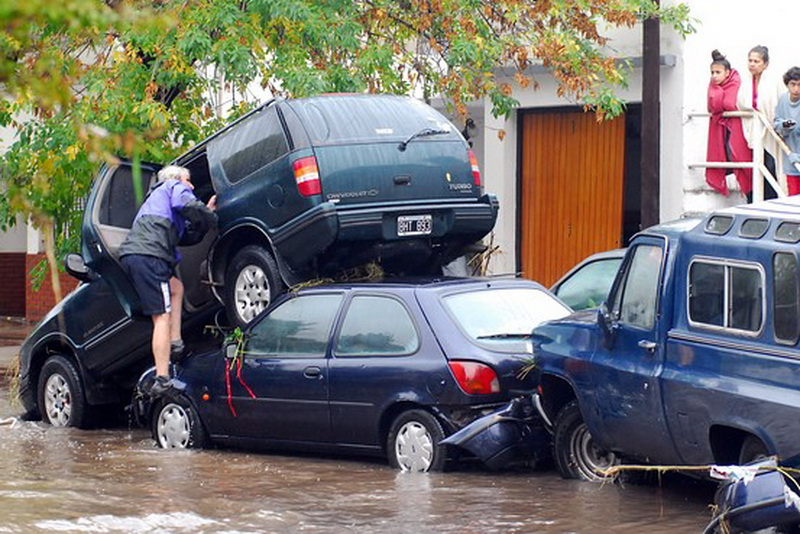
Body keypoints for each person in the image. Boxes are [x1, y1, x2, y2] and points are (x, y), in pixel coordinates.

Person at [119, 165, 217, 396]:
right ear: (176, 179)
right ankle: (162, 378)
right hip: (150, 256)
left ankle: (175, 342)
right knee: (161, 316)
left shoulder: (157, 201)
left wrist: (205, 213)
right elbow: (188, 204)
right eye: (188, 180)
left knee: (177, 287)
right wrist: (210, 215)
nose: (191, 186)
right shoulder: (172, 186)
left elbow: (188, 236)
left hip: (141, 255)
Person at [737, 45, 782, 200]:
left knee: (771, 167)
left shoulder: (774, 82)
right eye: (750, 61)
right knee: (753, 169)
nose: (752, 64)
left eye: (756, 61)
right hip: (751, 130)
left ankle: (772, 200)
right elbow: (741, 103)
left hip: (769, 130)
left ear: (765, 64)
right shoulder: (746, 82)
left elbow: (777, 104)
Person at [706, 50, 753, 198]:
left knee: (742, 161)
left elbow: (730, 104)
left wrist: (718, 94)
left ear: (727, 73)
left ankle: (751, 193)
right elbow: (712, 106)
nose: (714, 76)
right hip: (722, 130)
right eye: (712, 72)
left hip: (737, 131)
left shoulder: (736, 83)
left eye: (718, 72)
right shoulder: (713, 87)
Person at [774, 67, 800, 195]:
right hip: (791, 158)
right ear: (787, 85)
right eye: (793, 84)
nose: (796, 89)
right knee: (794, 196)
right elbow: (776, 122)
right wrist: (784, 125)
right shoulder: (783, 100)